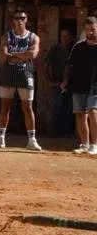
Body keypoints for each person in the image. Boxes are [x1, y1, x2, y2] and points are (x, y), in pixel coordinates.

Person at [0, 9, 42, 150]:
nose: (19, 20)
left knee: (27, 107)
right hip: (8, 74)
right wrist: (23, 55)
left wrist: (12, 54)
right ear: (12, 20)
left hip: (26, 74)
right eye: (16, 18)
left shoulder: (33, 37)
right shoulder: (7, 37)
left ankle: (32, 139)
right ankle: (0, 138)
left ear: (26, 20)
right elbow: (2, 57)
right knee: (5, 106)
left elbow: (32, 55)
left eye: (22, 17)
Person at [62, 17, 97, 155]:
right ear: (84, 30)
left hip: (95, 85)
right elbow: (69, 65)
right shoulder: (78, 46)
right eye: (88, 30)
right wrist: (65, 80)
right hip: (78, 84)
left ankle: (95, 144)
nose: (91, 32)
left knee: (93, 112)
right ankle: (84, 144)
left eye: (93, 30)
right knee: (80, 115)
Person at [46, 27, 75, 138]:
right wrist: (50, 80)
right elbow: (47, 65)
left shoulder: (74, 49)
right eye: (62, 36)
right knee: (58, 105)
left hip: (72, 83)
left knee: (70, 108)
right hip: (57, 82)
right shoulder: (55, 49)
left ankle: (67, 132)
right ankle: (53, 132)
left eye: (67, 36)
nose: (64, 38)